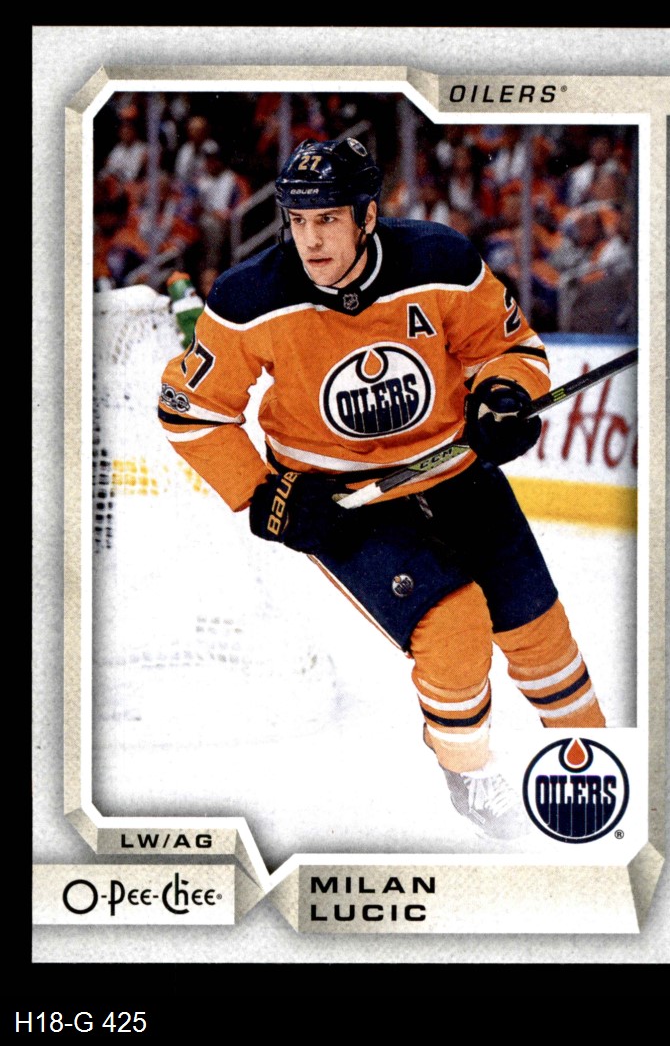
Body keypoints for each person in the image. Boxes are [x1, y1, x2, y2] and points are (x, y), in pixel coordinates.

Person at [158, 137, 606, 842]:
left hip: (456, 471)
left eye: (328, 220)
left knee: (541, 636)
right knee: (454, 628)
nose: (311, 240)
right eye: (298, 221)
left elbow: (506, 348)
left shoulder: (439, 261)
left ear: (367, 215)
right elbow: (191, 410)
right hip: (344, 503)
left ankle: (603, 772)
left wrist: (503, 396)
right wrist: (265, 493)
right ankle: (471, 774)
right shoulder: (249, 299)